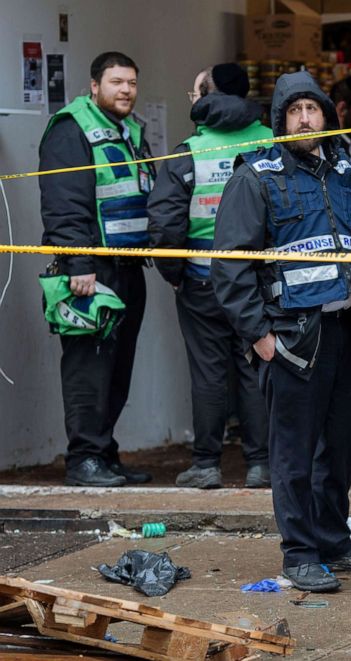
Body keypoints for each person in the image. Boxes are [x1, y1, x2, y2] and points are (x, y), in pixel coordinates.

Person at [211, 71, 351, 593]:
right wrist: (260, 337)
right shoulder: (255, 176)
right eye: (294, 111)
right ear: (279, 120)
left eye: (312, 109)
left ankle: (334, 541)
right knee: (292, 453)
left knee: (339, 449)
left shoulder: (347, 173)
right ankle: (299, 553)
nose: (305, 118)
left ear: (326, 117)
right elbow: (229, 268)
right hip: (294, 338)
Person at [146, 63, 273, 488]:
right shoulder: (274, 143)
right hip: (260, 279)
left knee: (209, 373)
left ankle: (206, 465)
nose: (190, 97)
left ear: (209, 97)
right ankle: (261, 465)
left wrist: (174, 273)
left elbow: (165, 225)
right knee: (256, 365)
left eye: (194, 91)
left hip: (202, 280)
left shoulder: (189, 151)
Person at [39, 51, 154, 487]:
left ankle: (103, 453)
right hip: (90, 271)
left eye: (131, 83)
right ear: (94, 85)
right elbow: (65, 202)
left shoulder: (127, 128)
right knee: (89, 368)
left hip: (126, 267)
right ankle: (84, 459)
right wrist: (79, 262)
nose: (126, 90)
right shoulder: (72, 128)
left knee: (116, 367)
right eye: (116, 82)